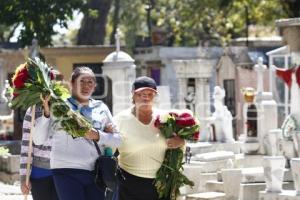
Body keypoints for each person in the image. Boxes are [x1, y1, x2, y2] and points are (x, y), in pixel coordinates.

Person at [32, 67, 122, 200]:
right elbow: (38, 139)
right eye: (82, 81)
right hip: (66, 170)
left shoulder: (101, 108)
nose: (86, 86)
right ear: (72, 83)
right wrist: (46, 113)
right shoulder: (59, 106)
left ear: (95, 86)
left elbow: (118, 140)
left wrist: (97, 135)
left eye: (90, 82)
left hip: (96, 171)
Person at [113, 76, 185, 200]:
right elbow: (109, 148)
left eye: (150, 94)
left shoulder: (165, 118)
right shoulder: (120, 120)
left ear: (155, 96)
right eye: (141, 94)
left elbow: (182, 143)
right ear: (133, 95)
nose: (145, 97)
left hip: (161, 183)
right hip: (129, 183)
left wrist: (181, 141)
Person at [20, 106, 59, 200]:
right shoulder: (33, 110)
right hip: (40, 173)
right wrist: (24, 177)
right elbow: (26, 145)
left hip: (64, 172)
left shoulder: (68, 107)